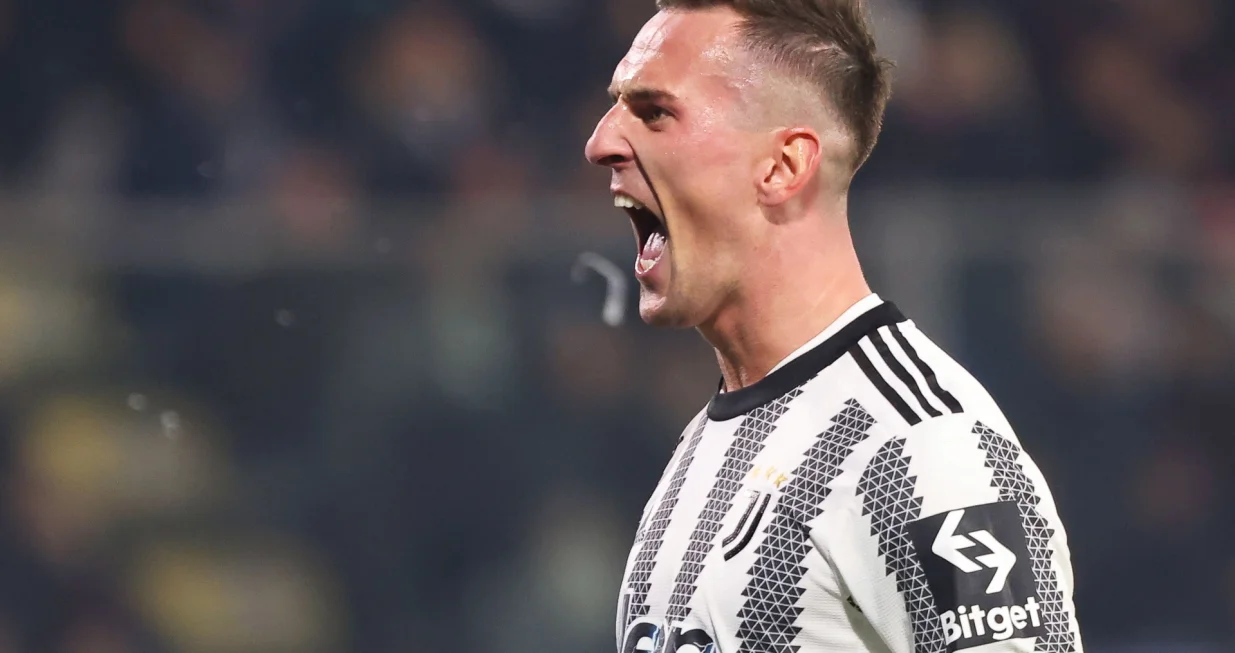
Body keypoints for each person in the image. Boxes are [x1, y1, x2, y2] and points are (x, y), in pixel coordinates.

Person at [583, 1, 1084, 652]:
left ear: (784, 166)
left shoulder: (921, 447)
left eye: (654, 112)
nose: (600, 142)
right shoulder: (704, 445)